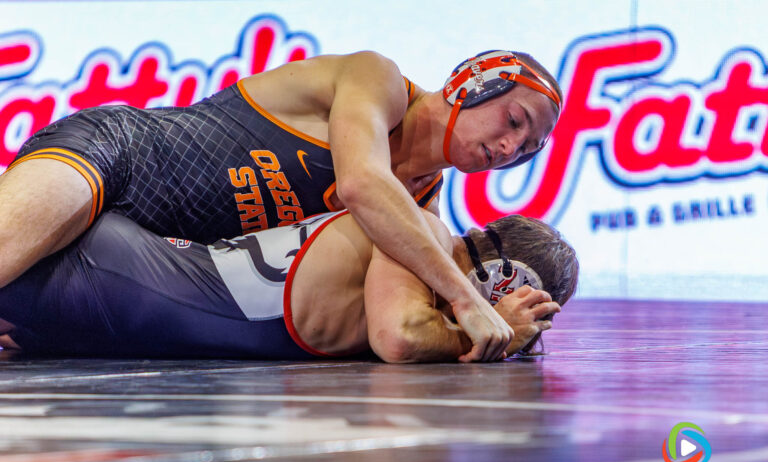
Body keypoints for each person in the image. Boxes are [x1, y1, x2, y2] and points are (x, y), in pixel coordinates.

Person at [0, 49, 562, 361]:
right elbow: (360, 184)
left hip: (146, 245)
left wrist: (495, 330)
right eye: (514, 121)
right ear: (472, 82)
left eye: (527, 151)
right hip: (118, 156)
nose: (510, 148)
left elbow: (394, 327)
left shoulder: (422, 211)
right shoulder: (379, 80)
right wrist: (469, 304)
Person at [0, 208, 578, 363]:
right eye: (533, 300)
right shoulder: (421, 231)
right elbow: (398, 338)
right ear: (508, 279)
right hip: (111, 276)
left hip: (120, 292)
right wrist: (494, 329)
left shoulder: (419, 251)